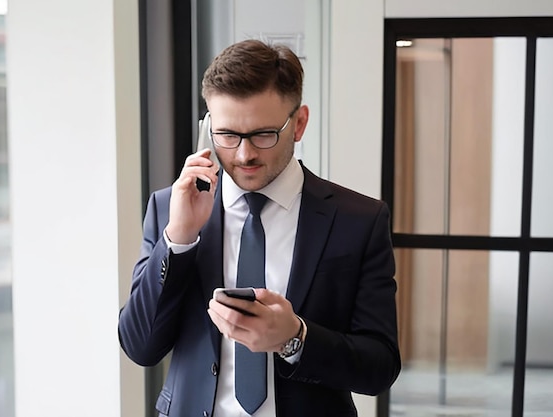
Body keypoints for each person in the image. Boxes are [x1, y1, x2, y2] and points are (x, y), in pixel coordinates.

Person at [118, 39, 401, 417]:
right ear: (208, 128)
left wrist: (294, 338)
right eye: (227, 135)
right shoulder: (170, 207)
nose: (244, 154)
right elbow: (140, 346)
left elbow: (379, 367)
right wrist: (179, 240)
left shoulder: (359, 220)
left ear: (298, 123)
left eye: (264, 134)